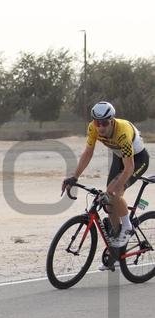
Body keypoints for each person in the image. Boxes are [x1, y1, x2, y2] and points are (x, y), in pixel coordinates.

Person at [62, 101, 149, 259]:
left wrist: (115, 189)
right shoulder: (92, 128)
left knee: (113, 193)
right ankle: (115, 249)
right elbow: (88, 153)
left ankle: (127, 227)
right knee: (109, 203)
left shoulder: (122, 132)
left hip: (137, 160)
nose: (101, 127)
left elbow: (129, 168)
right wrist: (74, 177)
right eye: (97, 123)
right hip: (119, 157)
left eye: (104, 123)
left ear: (112, 121)